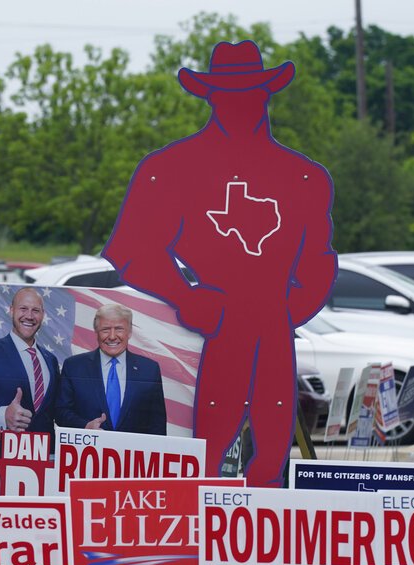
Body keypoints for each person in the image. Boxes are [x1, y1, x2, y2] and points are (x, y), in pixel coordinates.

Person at [102, 40, 337, 487]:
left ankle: (263, 542)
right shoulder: (169, 168)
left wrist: (288, 310)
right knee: (202, 456)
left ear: (267, 94)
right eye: (230, 94)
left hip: (273, 332)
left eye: (251, 93)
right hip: (206, 332)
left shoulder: (305, 176)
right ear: (211, 97)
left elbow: (319, 260)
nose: (242, 105)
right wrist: (184, 294)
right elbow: (132, 251)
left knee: (271, 457)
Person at [0, 287, 60, 442]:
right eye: (23, 309)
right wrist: (3, 415)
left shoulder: (51, 360)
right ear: (11, 310)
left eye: (35, 310)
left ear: (43, 315)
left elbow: (55, 412)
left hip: (45, 456)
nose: (29, 316)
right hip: (3, 455)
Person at [56, 303, 166, 435]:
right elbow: (61, 412)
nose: (112, 336)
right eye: (105, 330)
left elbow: (157, 423)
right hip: (89, 451)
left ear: (129, 332)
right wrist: (85, 426)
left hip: (133, 453)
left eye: (119, 329)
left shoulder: (149, 370)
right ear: (96, 332)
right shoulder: (73, 366)